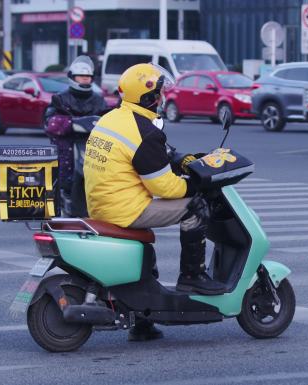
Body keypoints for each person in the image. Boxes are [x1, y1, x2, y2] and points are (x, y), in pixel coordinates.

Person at [83, 63, 226, 341]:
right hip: (126, 208)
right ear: (148, 97)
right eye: (159, 93)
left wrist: (183, 158)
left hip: (101, 203)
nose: (161, 98)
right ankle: (192, 276)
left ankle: (143, 319)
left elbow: (154, 152)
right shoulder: (144, 131)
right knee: (194, 208)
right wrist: (194, 185)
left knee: (145, 244)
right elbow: (164, 186)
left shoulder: (112, 118)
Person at [44, 55, 107, 217]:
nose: (85, 79)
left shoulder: (99, 100)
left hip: (94, 148)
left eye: (88, 77)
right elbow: (50, 123)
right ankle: (63, 203)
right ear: (72, 77)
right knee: (65, 181)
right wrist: (73, 123)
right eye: (81, 76)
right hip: (68, 151)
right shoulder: (60, 99)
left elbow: (108, 119)